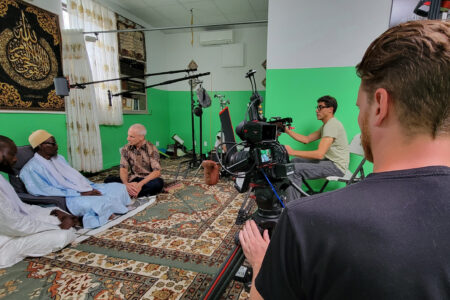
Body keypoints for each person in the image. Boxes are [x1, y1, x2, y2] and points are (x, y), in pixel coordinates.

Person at [239, 20, 450, 299]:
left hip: (332, 166)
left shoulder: (306, 222)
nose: (360, 117)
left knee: (292, 171)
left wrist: (262, 265)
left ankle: (286, 200)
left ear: (380, 105)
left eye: (360, 107)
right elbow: (306, 141)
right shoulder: (324, 127)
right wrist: (287, 133)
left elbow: (314, 153)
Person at [20, 130, 131, 229]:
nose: (57, 146)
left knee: (119, 187)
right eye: (53, 144)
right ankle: (91, 218)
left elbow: (76, 176)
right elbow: (44, 190)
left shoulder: (59, 158)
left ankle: (108, 210)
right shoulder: (30, 169)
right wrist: (80, 193)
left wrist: (89, 187)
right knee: (100, 201)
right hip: (69, 197)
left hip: (82, 189)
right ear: (40, 146)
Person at [0, 135, 76, 268]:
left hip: (14, 225)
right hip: (6, 241)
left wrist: (53, 211)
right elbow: (16, 225)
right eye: (12, 154)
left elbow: (20, 207)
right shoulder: (32, 167)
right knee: (64, 235)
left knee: (60, 215)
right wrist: (57, 227)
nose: (15, 159)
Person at [284, 95, 349, 183]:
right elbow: (306, 139)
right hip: (328, 162)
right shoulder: (327, 125)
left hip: (336, 167)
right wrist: (287, 131)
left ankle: (293, 197)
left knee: (293, 169)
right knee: (294, 161)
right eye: (317, 107)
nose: (316, 110)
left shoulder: (332, 125)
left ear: (330, 109)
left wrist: (292, 152)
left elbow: (319, 154)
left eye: (320, 107)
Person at [104, 124, 164, 198]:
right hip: (132, 179)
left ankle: (127, 192)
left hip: (146, 180)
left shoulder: (151, 148)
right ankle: (132, 191)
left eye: (131, 136)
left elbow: (157, 172)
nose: (128, 138)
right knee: (108, 180)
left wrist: (140, 184)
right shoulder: (126, 148)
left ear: (141, 137)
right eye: (128, 135)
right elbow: (123, 168)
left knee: (158, 184)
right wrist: (126, 184)